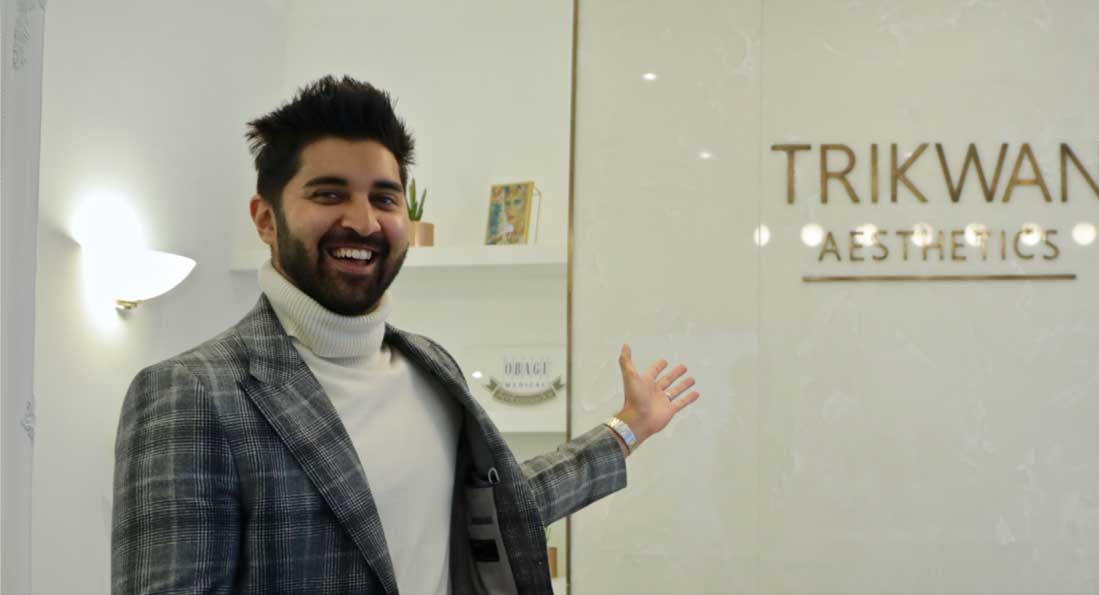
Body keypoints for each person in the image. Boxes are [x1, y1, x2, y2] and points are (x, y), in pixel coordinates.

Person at [110, 76, 701, 594]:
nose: (363, 221)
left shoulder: (430, 366)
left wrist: (629, 427)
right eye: (329, 193)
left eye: (384, 198)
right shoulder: (192, 392)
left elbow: (502, 510)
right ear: (266, 219)